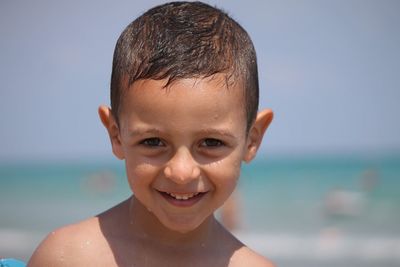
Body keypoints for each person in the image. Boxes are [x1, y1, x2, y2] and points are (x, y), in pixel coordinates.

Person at [28, 2, 274, 266]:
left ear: (253, 139)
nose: (181, 173)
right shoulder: (67, 257)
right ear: (116, 134)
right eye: (153, 142)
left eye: (211, 142)